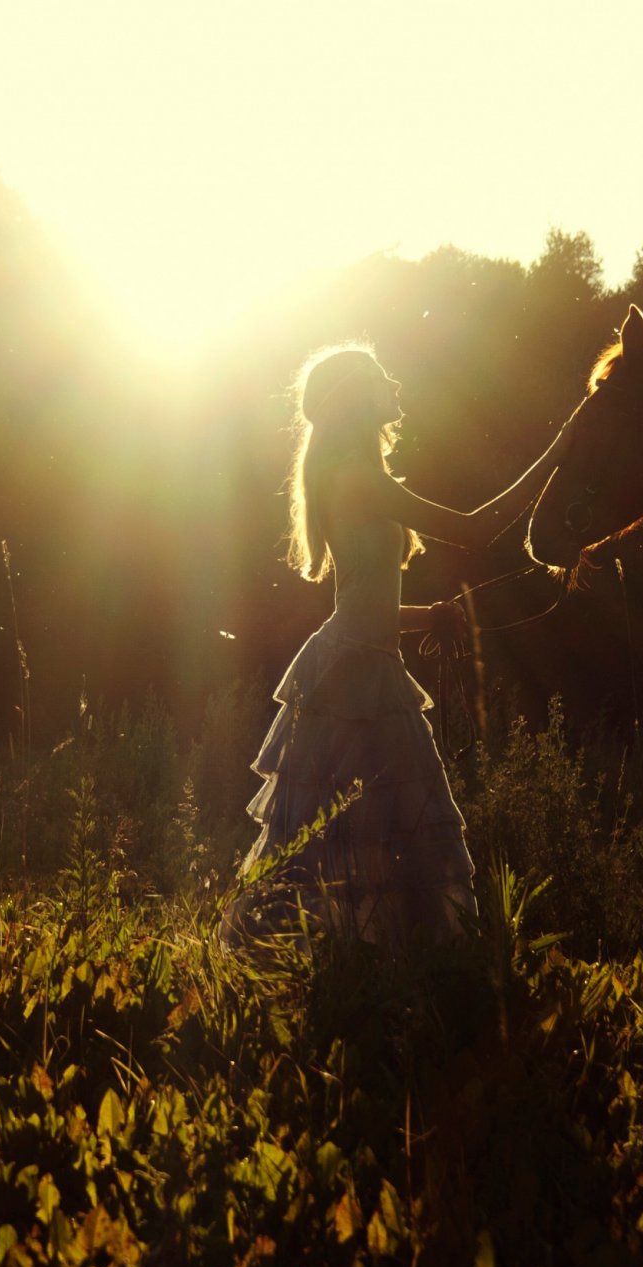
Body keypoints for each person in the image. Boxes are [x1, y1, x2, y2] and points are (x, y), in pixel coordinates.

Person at [223, 343, 571, 946]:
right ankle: (359, 960)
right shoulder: (359, 480)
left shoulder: (356, 477)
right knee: (366, 829)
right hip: (354, 674)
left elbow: (366, 607)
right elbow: (473, 528)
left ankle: (359, 960)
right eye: (381, 377)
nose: (394, 384)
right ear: (359, 397)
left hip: (354, 660)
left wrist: (425, 617)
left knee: (359, 829)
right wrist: (562, 450)